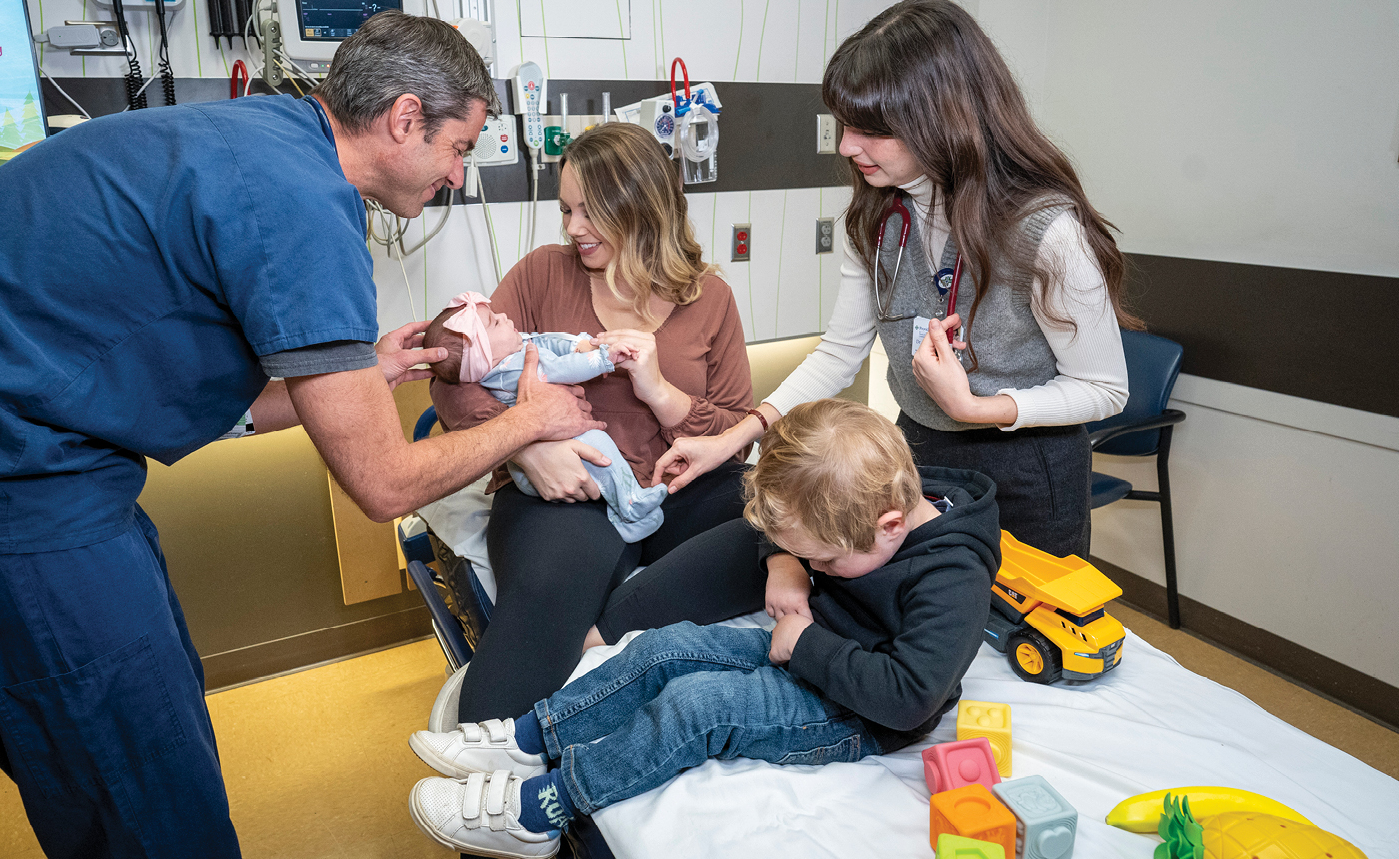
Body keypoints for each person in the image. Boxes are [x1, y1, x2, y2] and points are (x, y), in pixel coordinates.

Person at [0, 12, 599, 859]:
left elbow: (191, 384)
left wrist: (362, 376)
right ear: (402, 119)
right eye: (459, 147)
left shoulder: (271, 140)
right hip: (27, 488)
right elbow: (384, 487)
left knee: (118, 721)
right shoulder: (306, 208)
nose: (459, 176)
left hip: (51, 456)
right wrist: (532, 421)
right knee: (139, 779)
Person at [403, 399, 1001, 857]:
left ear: (891, 526)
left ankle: (544, 810)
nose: (817, 569)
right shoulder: (860, 510)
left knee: (700, 706)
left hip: (860, 711)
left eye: (822, 561)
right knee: (665, 648)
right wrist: (789, 563)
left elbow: (909, 696)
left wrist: (809, 645)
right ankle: (531, 739)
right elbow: (790, 528)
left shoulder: (953, 577)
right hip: (815, 646)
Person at [653, 0, 1137, 559]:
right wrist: (736, 437)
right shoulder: (877, 217)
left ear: (943, 119)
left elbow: (1105, 390)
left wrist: (978, 409)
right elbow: (839, 354)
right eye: (844, 123)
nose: (845, 146)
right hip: (915, 452)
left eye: (870, 130)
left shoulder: (1046, 231)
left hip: (1028, 467)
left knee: (1016, 637)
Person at [430, 121, 765, 724]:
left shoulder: (708, 299)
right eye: (566, 210)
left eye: (591, 211)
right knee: (548, 595)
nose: (573, 228)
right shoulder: (541, 276)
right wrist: (525, 445)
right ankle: (485, 756)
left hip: (673, 483)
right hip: (569, 491)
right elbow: (452, 387)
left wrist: (660, 392)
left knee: (778, 532)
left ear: (642, 208)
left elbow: (737, 428)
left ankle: (613, 624)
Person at [423, 291, 668, 541]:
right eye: (495, 322)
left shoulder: (511, 353)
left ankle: (628, 501)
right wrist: (604, 359)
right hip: (541, 464)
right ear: (483, 356)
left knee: (598, 446)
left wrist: (578, 344)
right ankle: (629, 508)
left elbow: (544, 341)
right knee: (598, 446)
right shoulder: (509, 369)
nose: (505, 316)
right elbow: (561, 369)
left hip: (554, 449)